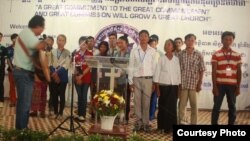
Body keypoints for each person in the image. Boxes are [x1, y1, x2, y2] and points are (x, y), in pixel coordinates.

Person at [13, 15, 45, 129]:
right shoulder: (27, 33)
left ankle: (22, 128)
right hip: (23, 74)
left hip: (24, 73)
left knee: (24, 103)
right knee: (24, 104)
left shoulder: (26, 34)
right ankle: (21, 131)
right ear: (38, 26)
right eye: (43, 27)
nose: (42, 31)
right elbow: (39, 45)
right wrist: (47, 42)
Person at [128, 30, 157, 132]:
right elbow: (131, 66)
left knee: (146, 102)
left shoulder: (152, 51)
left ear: (148, 38)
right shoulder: (134, 51)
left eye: (145, 36)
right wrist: (130, 81)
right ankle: (138, 123)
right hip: (136, 79)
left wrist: (154, 82)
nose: (143, 38)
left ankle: (146, 123)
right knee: (137, 102)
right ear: (138, 38)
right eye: (141, 36)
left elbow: (154, 67)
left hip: (148, 80)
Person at [211, 31, 242, 125]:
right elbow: (213, 71)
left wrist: (238, 86)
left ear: (233, 41)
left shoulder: (237, 55)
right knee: (216, 107)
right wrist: (214, 87)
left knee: (232, 107)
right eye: (226, 39)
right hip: (219, 85)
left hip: (232, 86)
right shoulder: (216, 54)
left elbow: (239, 72)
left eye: (230, 39)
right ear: (222, 40)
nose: (228, 41)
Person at [154, 39, 181, 133]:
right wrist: (157, 88)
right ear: (165, 47)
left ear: (173, 47)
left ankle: (171, 127)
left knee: (173, 108)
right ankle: (161, 127)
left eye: (169, 44)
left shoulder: (176, 59)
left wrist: (179, 88)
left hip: (174, 87)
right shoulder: (161, 58)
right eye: (166, 44)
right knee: (162, 107)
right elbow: (157, 73)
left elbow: (178, 74)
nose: (167, 46)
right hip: (163, 86)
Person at [178, 33, 206, 125]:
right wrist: (179, 84)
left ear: (195, 41)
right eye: (188, 40)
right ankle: (182, 123)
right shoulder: (180, 54)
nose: (190, 42)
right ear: (184, 41)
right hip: (183, 84)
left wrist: (200, 83)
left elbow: (202, 70)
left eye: (192, 40)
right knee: (182, 106)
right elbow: (178, 70)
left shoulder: (198, 54)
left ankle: (194, 124)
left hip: (194, 84)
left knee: (194, 106)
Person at [50, 34, 71, 120]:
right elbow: (50, 64)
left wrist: (57, 74)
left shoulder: (68, 52)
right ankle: (55, 112)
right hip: (53, 77)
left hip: (62, 77)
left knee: (62, 95)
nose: (60, 42)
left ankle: (61, 113)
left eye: (62, 40)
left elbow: (66, 65)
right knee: (54, 95)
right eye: (59, 40)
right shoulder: (52, 52)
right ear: (56, 41)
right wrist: (54, 74)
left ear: (65, 42)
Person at [74, 36, 93, 121]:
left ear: (87, 44)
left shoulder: (90, 54)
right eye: (82, 44)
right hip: (77, 78)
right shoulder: (76, 54)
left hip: (86, 78)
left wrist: (81, 76)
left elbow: (89, 67)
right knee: (79, 96)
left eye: (85, 44)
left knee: (84, 96)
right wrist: (77, 77)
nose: (83, 45)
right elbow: (74, 66)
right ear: (79, 44)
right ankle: (79, 114)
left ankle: (83, 115)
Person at [114, 35, 131, 124]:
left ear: (126, 44)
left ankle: (125, 118)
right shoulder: (116, 54)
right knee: (116, 99)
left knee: (126, 100)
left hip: (126, 80)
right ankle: (116, 116)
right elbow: (113, 65)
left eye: (121, 43)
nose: (119, 44)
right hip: (116, 81)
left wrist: (121, 72)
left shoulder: (130, 54)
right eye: (118, 43)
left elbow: (129, 67)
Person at [148, 34, 162, 125]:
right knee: (146, 99)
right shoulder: (146, 53)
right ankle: (145, 116)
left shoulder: (160, 54)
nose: (152, 45)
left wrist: (156, 81)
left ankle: (151, 116)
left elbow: (160, 68)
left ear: (156, 43)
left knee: (153, 99)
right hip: (147, 79)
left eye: (154, 43)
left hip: (156, 80)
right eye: (150, 43)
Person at [6, 33, 18, 107]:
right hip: (11, 70)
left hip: (20, 70)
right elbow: (8, 60)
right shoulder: (8, 49)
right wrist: (12, 69)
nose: (16, 40)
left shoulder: (22, 49)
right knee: (12, 86)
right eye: (15, 38)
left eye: (17, 38)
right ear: (12, 39)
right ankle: (13, 101)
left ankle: (21, 101)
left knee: (20, 87)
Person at [45, 36, 54, 115]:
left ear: (53, 42)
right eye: (47, 40)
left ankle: (51, 107)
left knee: (52, 91)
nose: (48, 42)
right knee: (41, 91)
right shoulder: (41, 50)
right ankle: (40, 109)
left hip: (51, 74)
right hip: (42, 74)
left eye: (49, 41)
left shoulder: (55, 51)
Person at [0, 32, 8, 108]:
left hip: (0, 69)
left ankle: (1, 100)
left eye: (0, 37)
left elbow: (5, 59)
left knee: (0, 84)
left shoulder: (3, 48)